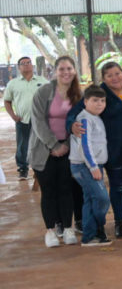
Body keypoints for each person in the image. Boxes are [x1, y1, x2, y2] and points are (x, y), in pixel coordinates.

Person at [67, 62, 122, 238]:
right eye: (109, 75)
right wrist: (71, 125)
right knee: (117, 188)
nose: (115, 78)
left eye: (118, 73)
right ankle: (119, 223)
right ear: (103, 79)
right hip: (112, 150)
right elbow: (75, 112)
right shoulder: (99, 93)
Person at [29, 56, 82, 248]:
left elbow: (80, 121)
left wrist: (65, 144)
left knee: (66, 190)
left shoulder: (78, 94)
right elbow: (37, 121)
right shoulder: (43, 92)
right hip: (44, 150)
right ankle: (50, 231)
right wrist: (54, 145)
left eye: (69, 69)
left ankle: (68, 228)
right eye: (62, 69)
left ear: (74, 71)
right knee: (49, 191)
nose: (66, 72)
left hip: (69, 148)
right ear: (55, 71)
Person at [69, 85, 113, 247]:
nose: (99, 104)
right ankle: (98, 228)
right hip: (84, 167)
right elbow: (85, 146)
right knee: (102, 198)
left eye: (102, 101)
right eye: (95, 100)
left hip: (93, 165)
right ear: (85, 101)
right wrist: (93, 167)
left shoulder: (96, 117)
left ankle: (90, 236)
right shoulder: (85, 119)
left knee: (90, 199)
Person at [3, 56, 46, 180]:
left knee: (41, 144)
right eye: (23, 63)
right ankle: (23, 169)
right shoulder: (13, 84)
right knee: (23, 145)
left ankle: (40, 170)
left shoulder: (42, 81)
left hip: (40, 120)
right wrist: (13, 116)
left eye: (28, 62)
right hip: (22, 120)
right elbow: (7, 101)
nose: (26, 65)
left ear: (32, 65)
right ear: (19, 67)